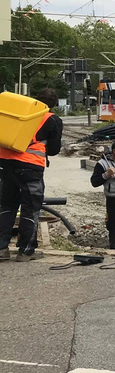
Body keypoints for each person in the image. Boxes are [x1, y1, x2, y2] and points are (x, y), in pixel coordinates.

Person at [0, 88, 63, 262]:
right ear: (53, 105)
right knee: (30, 208)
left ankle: (1, 248)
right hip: (30, 168)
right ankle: (26, 250)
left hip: (4, 164)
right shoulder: (51, 119)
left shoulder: (19, 113)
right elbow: (54, 149)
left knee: (6, 206)